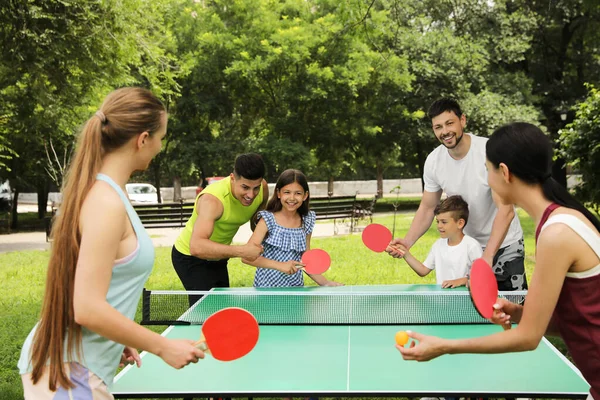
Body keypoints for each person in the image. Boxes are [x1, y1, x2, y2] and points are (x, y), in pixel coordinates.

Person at [18, 88, 204, 398]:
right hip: (70, 372)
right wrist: (162, 346)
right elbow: (87, 308)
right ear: (142, 139)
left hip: (75, 365)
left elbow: (95, 290)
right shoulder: (105, 201)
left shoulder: (109, 193)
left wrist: (115, 336)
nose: (160, 146)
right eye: (161, 137)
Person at [396, 122, 600, 400]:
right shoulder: (562, 219)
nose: (486, 178)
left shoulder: (557, 234)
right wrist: (518, 313)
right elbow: (578, 319)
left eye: (487, 169)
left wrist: (444, 346)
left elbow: (528, 338)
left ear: (503, 172)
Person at [388, 98, 527, 291]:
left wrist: (487, 258)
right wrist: (407, 242)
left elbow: (506, 210)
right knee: (471, 313)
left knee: (512, 312)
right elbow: (428, 207)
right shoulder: (434, 162)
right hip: (465, 248)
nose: (444, 131)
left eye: (449, 123)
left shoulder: (489, 152)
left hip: (505, 246)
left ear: (463, 120)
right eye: (438, 127)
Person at [172, 153, 269, 302]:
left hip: (219, 257)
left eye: (255, 188)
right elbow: (196, 247)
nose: (251, 194)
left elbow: (257, 220)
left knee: (222, 305)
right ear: (232, 178)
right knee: (206, 309)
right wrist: (243, 250)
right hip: (190, 257)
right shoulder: (212, 200)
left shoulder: (262, 188)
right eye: (245, 187)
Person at [242, 169, 341, 288]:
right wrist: (280, 265)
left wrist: (325, 283)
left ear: (305, 195)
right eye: (287, 192)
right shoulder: (267, 220)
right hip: (266, 290)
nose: (292, 198)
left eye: (298, 193)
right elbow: (246, 257)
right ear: (278, 193)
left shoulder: (306, 221)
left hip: (295, 288)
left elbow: (306, 262)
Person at [394, 195, 482, 288]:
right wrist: (405, 253)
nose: (439, 226)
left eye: (444, 222)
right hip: (442, 301)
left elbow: (482, 278)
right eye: (438, 221)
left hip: (466, 301)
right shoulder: (438, 245)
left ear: (460, 223)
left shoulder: (472, 246)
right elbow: (423, 270)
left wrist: (463, 281)